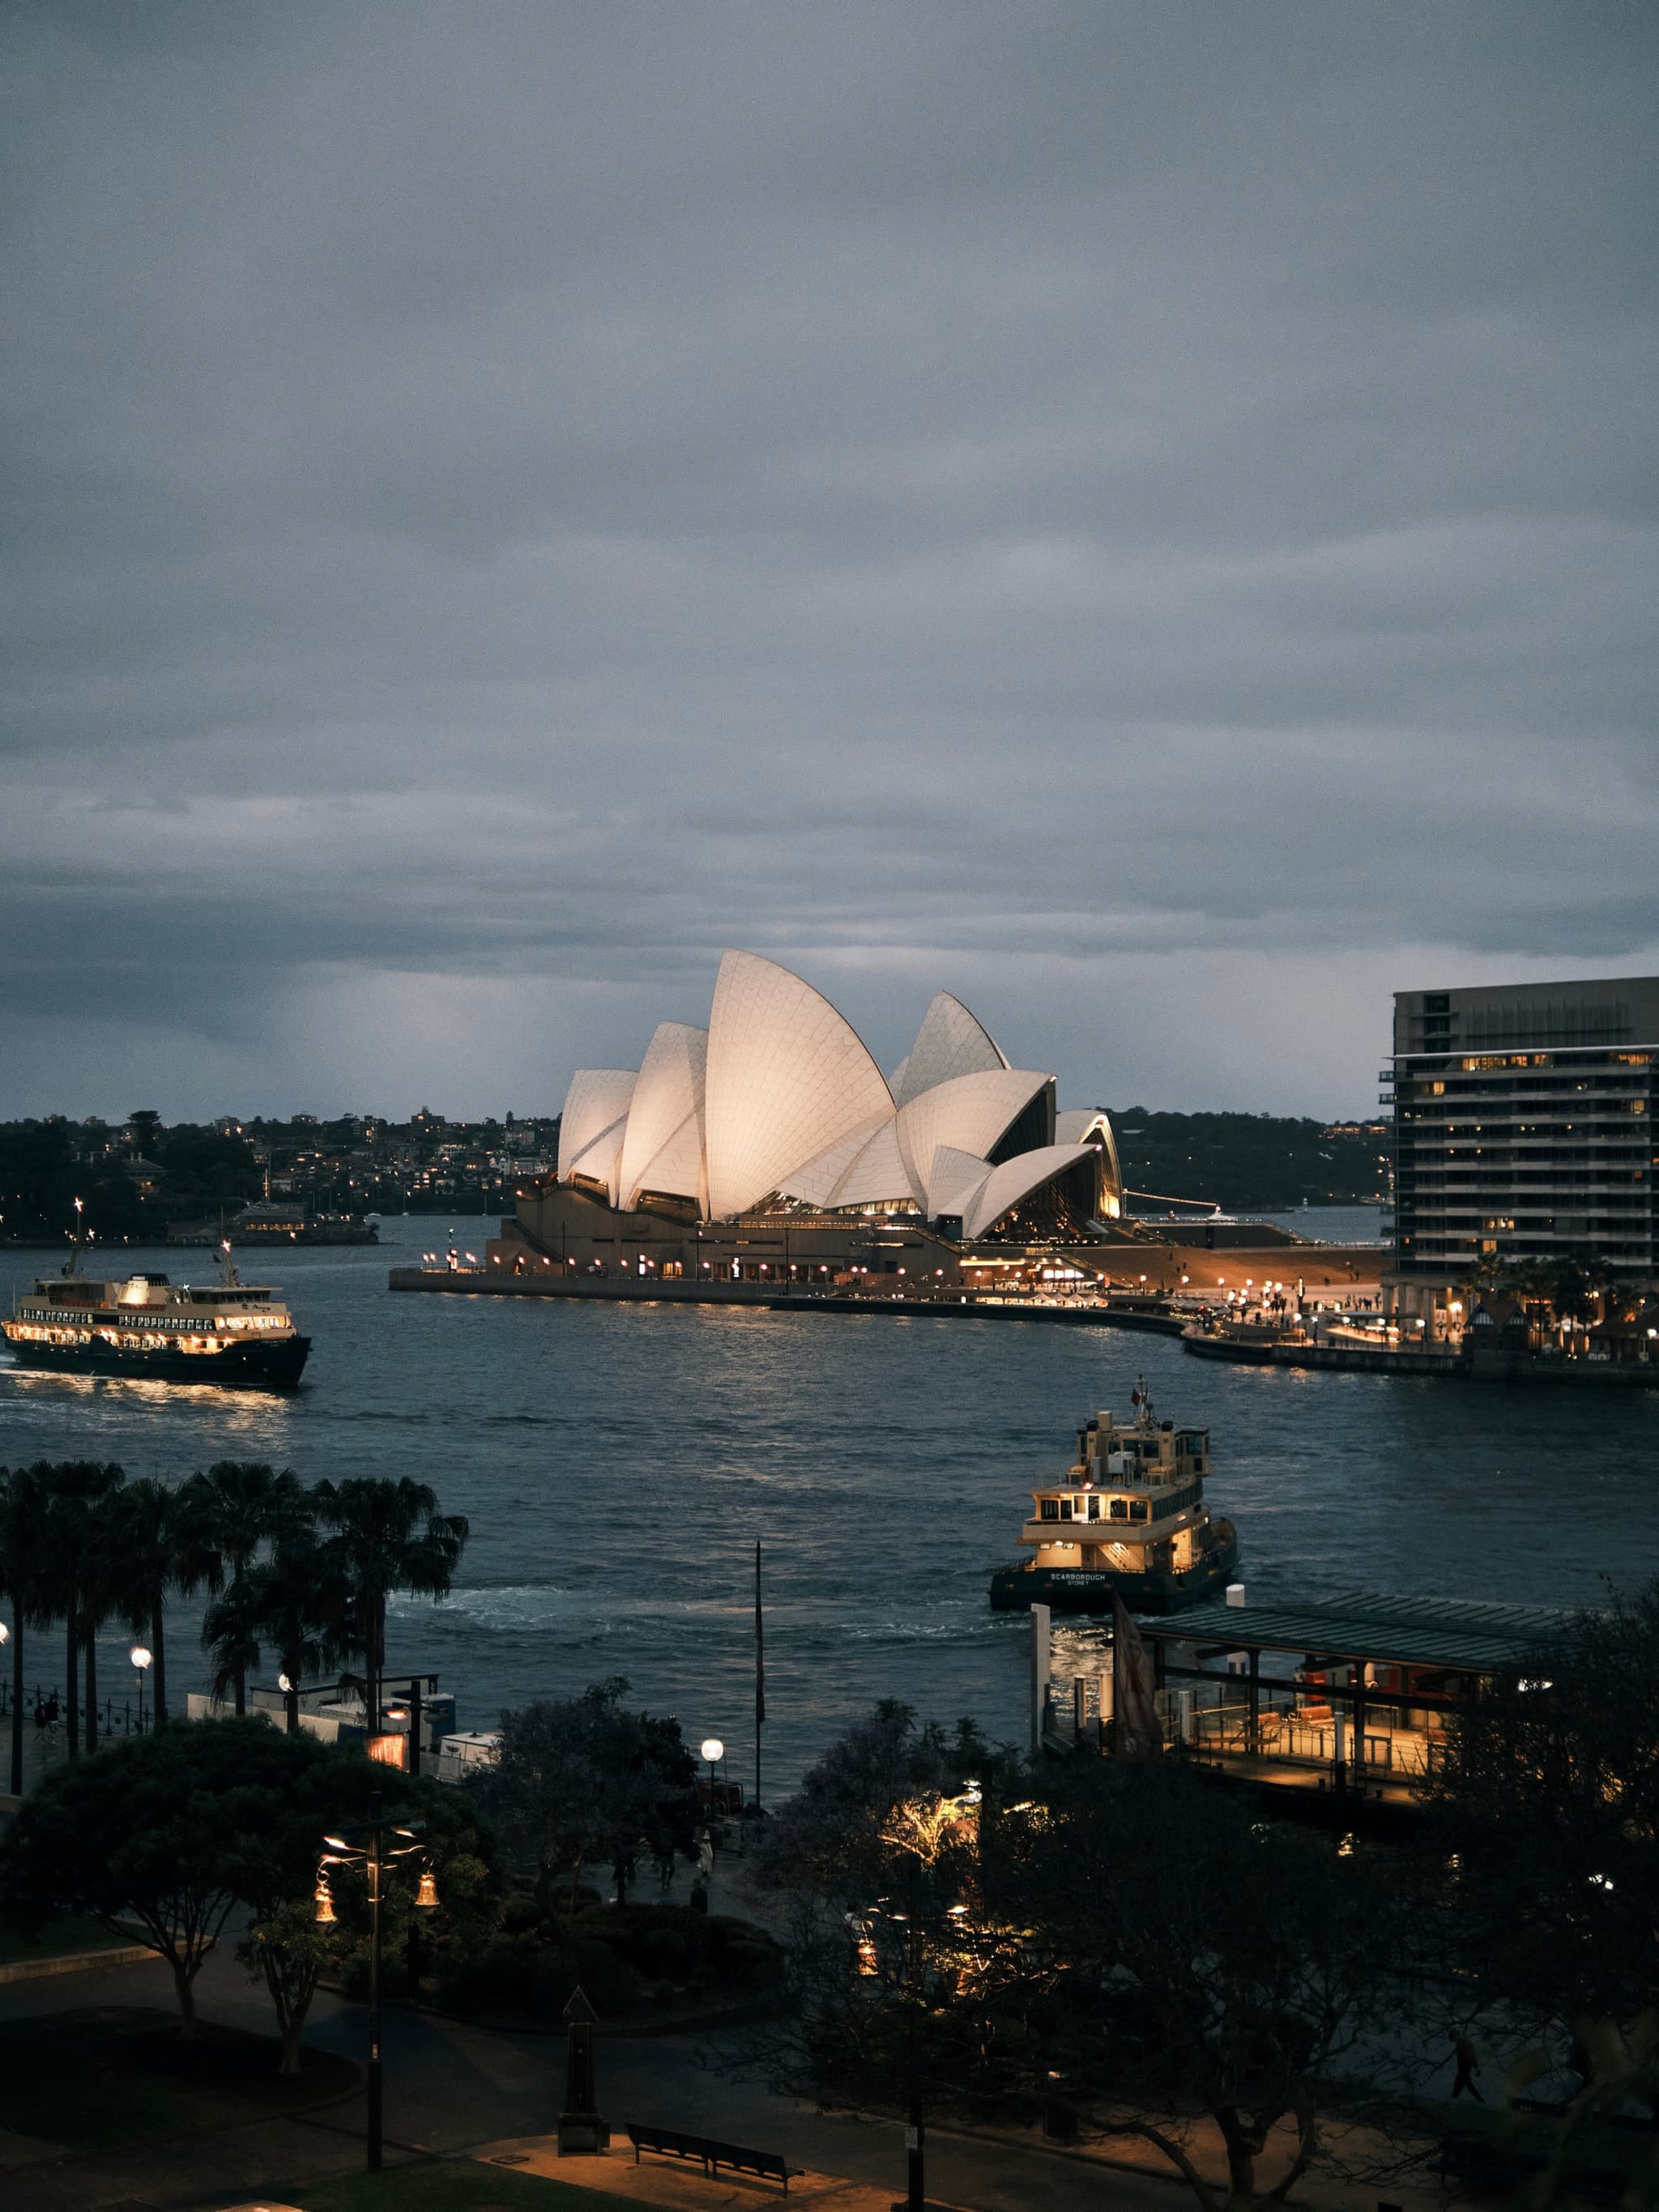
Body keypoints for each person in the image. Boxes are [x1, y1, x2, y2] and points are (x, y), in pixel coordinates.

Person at [1451, 2033, 1485, 2102]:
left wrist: (1476, 2067)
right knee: (1460, 2086)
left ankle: (1481, 2101)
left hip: (1464, 2069)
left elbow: (1471, 2056)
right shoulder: (1461, 2042)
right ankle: (1452, 2099)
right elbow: (1471, 2056)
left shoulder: (1464, 2043)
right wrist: (1476, 2067)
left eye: (1454, 2038)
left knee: (1467, 2086)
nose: (1454, 2040)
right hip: (1463, 2069)